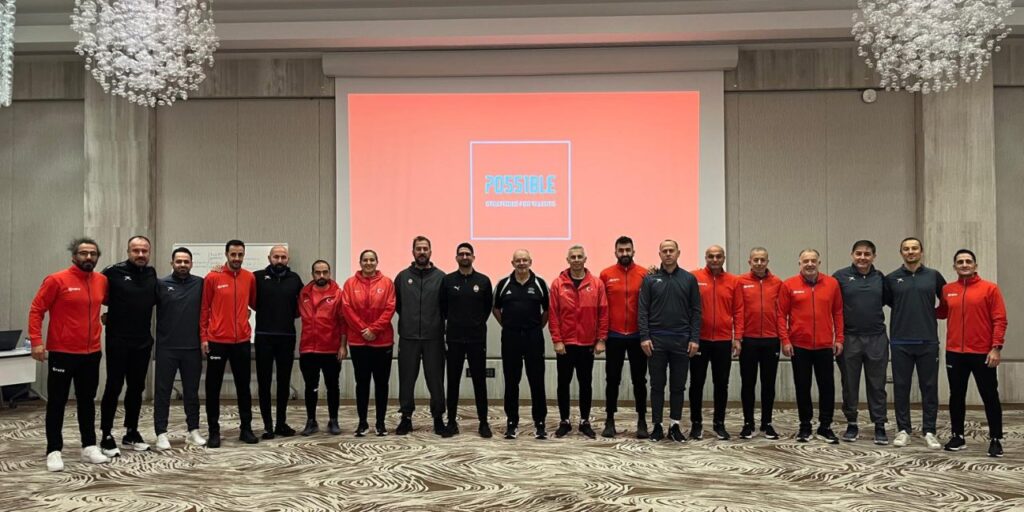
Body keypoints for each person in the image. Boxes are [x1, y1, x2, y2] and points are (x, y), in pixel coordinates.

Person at [29, 237, 110, 472]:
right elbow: (37, 310)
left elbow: (110, 303)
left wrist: (109, 317)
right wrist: (36, 342)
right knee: (57, 402)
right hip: (62, 352)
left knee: (87, 401)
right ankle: (54, 450)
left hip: (92, 352)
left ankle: (89, 446)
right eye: (83, 253)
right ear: (74, 256)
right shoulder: (56, 280)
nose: (88, 257)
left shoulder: (102, 281)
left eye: (93, 254)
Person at [937, 249, 1007, 457]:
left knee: (989, 395)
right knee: (956, 396)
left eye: (968, 261)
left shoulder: (990, 289)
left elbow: (1000, 319)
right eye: (960, 262)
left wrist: (996, 347)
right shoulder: (948, 289)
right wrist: (917, 306)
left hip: (982, 352)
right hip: (954, 352)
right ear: (955, 266)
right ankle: (957, 436)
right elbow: (942, 312)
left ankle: (995, 439)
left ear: (975, 265)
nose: (964, 264)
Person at [99, 235, 158, 456]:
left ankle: (131, 433)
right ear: (128, 252)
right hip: (118, 341)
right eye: (136, 250)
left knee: (136, 388)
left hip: (142, 342)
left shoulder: (151, 273)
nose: (140, 254)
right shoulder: (112, 272)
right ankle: (106, 434)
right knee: (114, 387)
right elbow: (96, 296)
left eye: (144, 251)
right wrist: (108, 316)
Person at [777, 249, 844, 444]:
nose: (809, 264)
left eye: (813, 260)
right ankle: (805, 426)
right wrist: (785, 340)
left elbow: (838, 312)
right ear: (799, 263)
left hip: (824, 345)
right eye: (805, 261)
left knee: (827, 387)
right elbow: (781, 315)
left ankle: (825, 427)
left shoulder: (832, 284)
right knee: (802, 387)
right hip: (799, 346)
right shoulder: (789, 285)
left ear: (819, 263)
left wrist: (839, 338)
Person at [884, 237, 945, 449]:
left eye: (914, 248)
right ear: (901, 252)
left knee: (929, 387)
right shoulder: (891, 278)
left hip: (928, 341)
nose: (911, 252)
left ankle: (930, 430)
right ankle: (903, 430)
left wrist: (929, 314)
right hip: (900, 341)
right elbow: (890, 302)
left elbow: (946, 302)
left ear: (921, 251)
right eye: (906, 249)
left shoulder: (934, 276)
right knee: (901, 387)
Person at [639, 240, 702, 443]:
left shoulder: (689, 279)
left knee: (678, 386)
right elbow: (643, 310)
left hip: (681, 341)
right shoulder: (650, 279)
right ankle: (657, 425)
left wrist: (694, 339)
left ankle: (675, 425)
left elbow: (696, 311)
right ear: (659, 254)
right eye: (664, 251)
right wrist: (644, 337)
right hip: (655, 341)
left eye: (671, 250)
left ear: (678, 253)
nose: (668, 254)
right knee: (657, 386)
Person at [201, 239, 258, 448]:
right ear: (226, 254)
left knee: (244, 387)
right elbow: (204, 309)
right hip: (217, 341)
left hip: (241, 341)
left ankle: (246, 429)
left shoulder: (249, 277)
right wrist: (203, 337)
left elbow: (254, 303)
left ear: (244, 255)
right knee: (213, 388)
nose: (236, 258)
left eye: (240, 254)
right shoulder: (212, 277)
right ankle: (214, 432)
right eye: (233, 254)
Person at [832, 240, 890, 445]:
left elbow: (888, 301)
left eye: (867, 254)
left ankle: (880, 425)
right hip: (850, 338)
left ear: (874, 256)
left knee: (877, 384)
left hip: (876, 338)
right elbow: (833, 306)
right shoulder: (840, 277)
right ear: (852, 255)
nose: (862, 258)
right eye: (858, 253)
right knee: (849, 384)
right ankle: (852, 423)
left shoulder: (880, 278)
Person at [549, 245, 608, 439]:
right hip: (565, 345)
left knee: (585, 384)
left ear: (585, 259)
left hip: (587, 344)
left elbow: (603, 313)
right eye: (572, 257)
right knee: (563, 384)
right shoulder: (558, 284)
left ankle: (584, 421)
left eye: (579, 256)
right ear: (568, 260)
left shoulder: (597, 284)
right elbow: (553, 315)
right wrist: (557, 340)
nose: (576, 260)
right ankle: (564, 421)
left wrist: (601, 339)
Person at [152, 247, 207, 451]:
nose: (182, 265)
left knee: (191, 392)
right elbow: (139, 304)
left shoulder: (200, 283)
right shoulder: (160, 284)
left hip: (192, 348)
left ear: (191, 264)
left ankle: (193, 431)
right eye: (179, 261)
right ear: (172, 263)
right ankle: (161, 433)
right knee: (163, 392)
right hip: (166, 348)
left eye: (186, 261)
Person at [394, 236, 449, 437]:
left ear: (431, 252)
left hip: (433, 337)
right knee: (406, 379)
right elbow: (398, 305)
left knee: (436, 380)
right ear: (413, 252)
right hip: (408, 337)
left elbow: (446, 307)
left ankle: (438, 418)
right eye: (418, 249)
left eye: (425, 248)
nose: (422, 252)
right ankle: (406, 417)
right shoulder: (402, 277)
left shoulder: (441, 277)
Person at [494, 249, 550, 440]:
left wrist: (537, 328)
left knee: (537, 381)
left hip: (534, 337)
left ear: (530, 262)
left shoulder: (540, 284)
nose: (521, 263)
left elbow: (547, 310)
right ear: (512, 263)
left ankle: (540, 423)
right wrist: (507, 324)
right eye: (518, 260)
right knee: (511, 382)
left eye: (525, 260)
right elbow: (495, 308)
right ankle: (512, 422)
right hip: (511, 338)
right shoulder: (503, 284)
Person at [689, 245, 743, 441]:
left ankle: (719, 423)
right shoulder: (694, 277)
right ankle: (696, 424)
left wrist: (737, 338)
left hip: (723, 341)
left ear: (724, 258)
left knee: (721, 384)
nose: (714, 259)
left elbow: (738, 311)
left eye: (718, 256)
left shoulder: (733, 281)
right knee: (696, 383)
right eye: (711, 256)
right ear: (705, 258)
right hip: (699, 341)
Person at [440, 243, 493, 438]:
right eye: (461, 254)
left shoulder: (483, 281)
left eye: (467, 254)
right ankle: (451, 422)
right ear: (456, 258)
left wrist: (475, 323)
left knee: (480, 382)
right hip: (454, 339)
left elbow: (487, 308)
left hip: (476, 339)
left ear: (473, 257)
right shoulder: (447, 281)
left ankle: (483, 422)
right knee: (452, 382)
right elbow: (443, 308)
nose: (464, 257)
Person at [599, 236, 650, 439]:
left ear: (633, 251)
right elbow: (602, 308)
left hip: (638, 335)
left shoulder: (645, 274)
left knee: (640, 380)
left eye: (628, 250)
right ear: (615, 252)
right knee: (612, 379)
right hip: (614, 335)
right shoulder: (606, 274)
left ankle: (642, 420)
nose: (625, 253)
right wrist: (602, 336)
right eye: (621, 250)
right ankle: (609, 420)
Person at [342, 250, 397, 436]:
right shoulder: (350, 283)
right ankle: (362, 423)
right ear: (360, 262)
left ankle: (380, 423)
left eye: (372, 260)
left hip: (382, 342)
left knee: (382, 384)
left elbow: (390, 308)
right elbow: (347, 309)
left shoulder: (387, 283)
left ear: (377, 262)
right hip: (358, 343)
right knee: (362, 383)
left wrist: (374, 330)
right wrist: (363, 330)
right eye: (365, 260)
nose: (368, 263)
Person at [253, 245, 304, 440]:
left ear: (288, 259)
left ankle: (281, 423)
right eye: (276, 257)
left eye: (283, 257)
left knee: (283, 383)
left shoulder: (295, 279)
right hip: (264, 336)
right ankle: (267, 426)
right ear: (269, 258)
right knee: (264, 382)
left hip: (287, 337)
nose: (280, 260)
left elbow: (301, 306)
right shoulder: (257, 277)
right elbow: (250, 300)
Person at [736, 247, 783, 440]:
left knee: (768, 384)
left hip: (771, 340)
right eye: (755, 260)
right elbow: (738, 311)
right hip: (748, 340)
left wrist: (783, 337)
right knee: (748, 383)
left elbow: (781, 313)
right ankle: (748, 423)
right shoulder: (741, 282)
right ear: (749, 262)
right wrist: (738, 337)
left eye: (762, 260)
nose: (759, 263)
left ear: (767, 261)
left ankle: (767, 423)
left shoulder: (777, 283)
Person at [297, 260, 346, 436]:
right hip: (308, 349)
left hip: (330, 348)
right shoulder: (303, 293)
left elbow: (343, 322)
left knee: (332, 386)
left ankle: (333, 420)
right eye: (318, 272)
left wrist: (343, 346)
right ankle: (311, 421)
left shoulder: (338, 294)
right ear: (312, 274)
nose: (322, 276)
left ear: (329, 273)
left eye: (325, 272)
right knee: (310, 386)